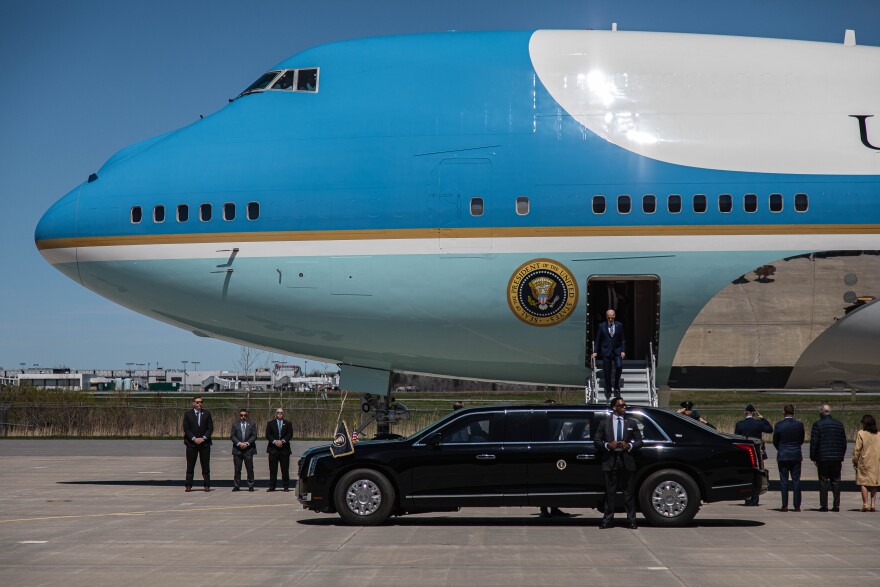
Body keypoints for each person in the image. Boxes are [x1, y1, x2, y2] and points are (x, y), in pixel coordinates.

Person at [594, 397, 643, 529]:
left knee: (628, 493)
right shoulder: (605, 423)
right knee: (610, 492)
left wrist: (629, 446)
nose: (624, 407)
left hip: (626, 460)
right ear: (614, 407)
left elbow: (639, 441)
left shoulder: (631, 423)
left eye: (625, 405)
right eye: (621, 406)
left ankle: (632, 520)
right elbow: (597, 441)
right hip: (611, 460)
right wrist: (608, 445)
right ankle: (608, 519)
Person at [810, 404, 847, 512]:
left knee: (823, 481)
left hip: (823, 458)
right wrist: (841, 455)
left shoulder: (817, 425)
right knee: (836, 481)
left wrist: (813, 457)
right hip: (836, 458)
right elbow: (843, 442)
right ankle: (836, 505)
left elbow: (814, 443)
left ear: (821, 413)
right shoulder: (839, 424)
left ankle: (824, 505)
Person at [735, 404, 773, 505]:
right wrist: (763, 418)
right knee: (757, 476)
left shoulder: (740, 424)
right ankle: (755, 499)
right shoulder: (759, 424)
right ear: (754, 413)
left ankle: (747, 498)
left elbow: (736, 439)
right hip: (757, 453)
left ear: (745, 412)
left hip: (745, 453)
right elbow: (770, 429)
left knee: (746, 476)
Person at [773, 404, 804, 512]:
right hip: (795, 454)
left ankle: (784, 505)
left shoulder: (779, 425)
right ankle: (797, 506)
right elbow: (801, 440)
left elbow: (775, 441)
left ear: (783, 412)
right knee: (796, 481)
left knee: (784, 481)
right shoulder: (799, 425)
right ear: (793, 413)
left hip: (783, 455)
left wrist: (781, 449)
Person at [591, 309, 625, 400]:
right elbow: (597, 339)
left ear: (614, 316)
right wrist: (595, 351)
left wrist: (623, 350)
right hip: (606, 351)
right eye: (609, 317)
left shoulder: (619, 325)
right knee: (607, 371)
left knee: (619, 366)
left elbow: (622, 339)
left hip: (617, 350)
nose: (610, 319)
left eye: (612, 317)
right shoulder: (601, 326)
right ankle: (609, 389)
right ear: (606, 317)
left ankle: (616, 385)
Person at [182, 395, 213, 492]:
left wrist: (203, 438)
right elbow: (186, 429)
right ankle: (188, 484)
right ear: (193, 403)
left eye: (201, 402)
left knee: (205, 465)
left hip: (204, 444)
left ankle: (207, 484)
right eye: (198, 402)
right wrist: (194, 438)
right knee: (190, 465)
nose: (200, 404)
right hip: (192, 444)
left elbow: (210, 428)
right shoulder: (188, 414)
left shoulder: (207, 413)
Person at [852, 414, 879, 512]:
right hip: (876, 462)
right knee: (874, 483)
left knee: (863, 482)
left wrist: (855, 460)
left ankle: (865, 504)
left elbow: (857, 449)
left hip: (864, 461)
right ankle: (873, 504)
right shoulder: (878, 434)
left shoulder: (861, 433)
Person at [266, 407, 293, 492]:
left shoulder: (288, 423)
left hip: (284, 450)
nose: (280, 414)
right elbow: (268, 435)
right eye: (278, 413)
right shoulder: (270, 423)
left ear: (283, 414)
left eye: (281, 413)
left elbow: (290, 434)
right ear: (276, 414)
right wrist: (275, 442)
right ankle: (272, 486)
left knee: (285, 469)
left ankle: (286, 486)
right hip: (273, 450)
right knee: (273, 470)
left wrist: (283, 441)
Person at [231, 408, 257, 492]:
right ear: (239, 416)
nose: (243, 417)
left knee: (249, 468)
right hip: (237, 449)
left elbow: (254, 435)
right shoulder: (235, 424)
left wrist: (247, 443)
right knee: (237, 469)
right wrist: (239, 443)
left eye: (245, 415)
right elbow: (232, 436)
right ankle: (237, 485)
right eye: (241, 415)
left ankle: (250, 485)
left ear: (247, 415)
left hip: (248, 449)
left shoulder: (252, 424)